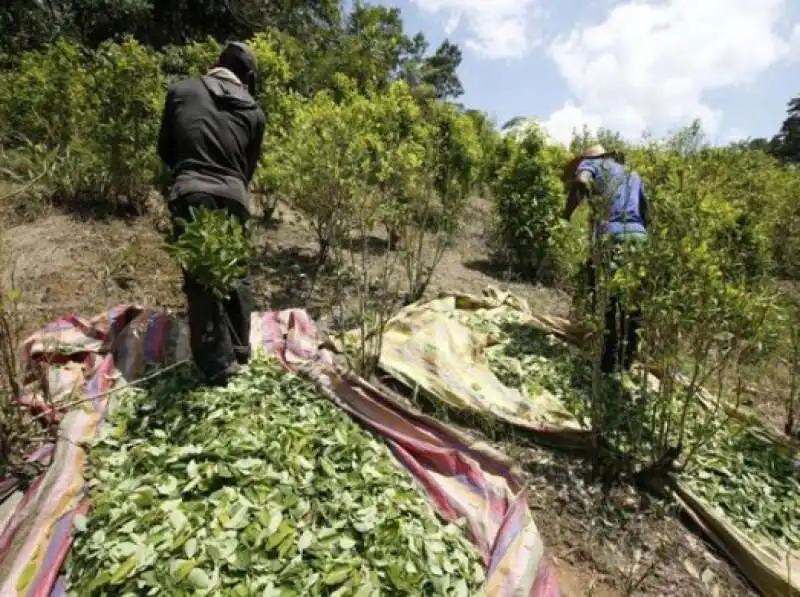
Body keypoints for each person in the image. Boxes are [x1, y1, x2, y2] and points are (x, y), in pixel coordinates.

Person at [157, 41, 265, 386]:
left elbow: (165, 149)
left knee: (201, 277)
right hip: (234, 194)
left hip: (191, 188)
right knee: (237, 271)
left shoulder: (181, 91)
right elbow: (247, 168)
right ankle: (239, 346)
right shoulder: (254, 112)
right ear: (246, 77)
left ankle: (217, 368)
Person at [562, 144, 649, 375]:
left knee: (608, 298)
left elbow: (581, 181)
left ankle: (606, 364)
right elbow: (645, 211)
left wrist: (566, 214)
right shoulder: (633, 174)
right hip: (639, 237)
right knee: (632, 302)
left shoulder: (591, 164)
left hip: (611, 236)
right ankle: (626, 360)